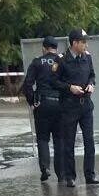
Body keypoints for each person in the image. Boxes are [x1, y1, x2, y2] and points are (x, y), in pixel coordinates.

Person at [57, 29, 99, 187]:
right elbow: (54, 82)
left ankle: (90, 175)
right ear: (74, 43)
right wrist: (69, 88)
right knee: (69, 142)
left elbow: (92, 75)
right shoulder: (61, 60)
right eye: (83, 42)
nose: (85, 45)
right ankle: (70, 176)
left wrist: (91, 84)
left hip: (86, 105)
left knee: (89, 141)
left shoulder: (87, 57)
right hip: (69, 106)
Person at [21, 36, 65, 182]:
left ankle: (45, 168)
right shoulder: (61, 62)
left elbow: (27, 85)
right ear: (56, 48)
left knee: (43, 138)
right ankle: (61, 173)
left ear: (44, 48)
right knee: (59, 139)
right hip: (59, 104)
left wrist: (33, 101)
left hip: (43, 104)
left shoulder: (37, 62)